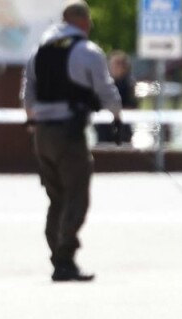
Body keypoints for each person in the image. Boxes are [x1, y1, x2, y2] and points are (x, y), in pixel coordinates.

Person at [19, 0, 122, 282]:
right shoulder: (87, 51)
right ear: (83, 22)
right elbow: (107, 90)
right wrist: (117, 117)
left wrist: (34, 121)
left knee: (56, 198)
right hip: (69, 133)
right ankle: (64, 259)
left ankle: (58, 255)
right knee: (76, 196)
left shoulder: (38, 53)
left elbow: (27, 97)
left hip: (42, 134)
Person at [95, 51, 137, 144]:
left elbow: (132, 106)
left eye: (116, 65)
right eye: (112, 64)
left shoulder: (128, 84)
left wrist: (115, 110)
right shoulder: (105, 84)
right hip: (103, 130)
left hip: (122, 130)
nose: (112, 68)